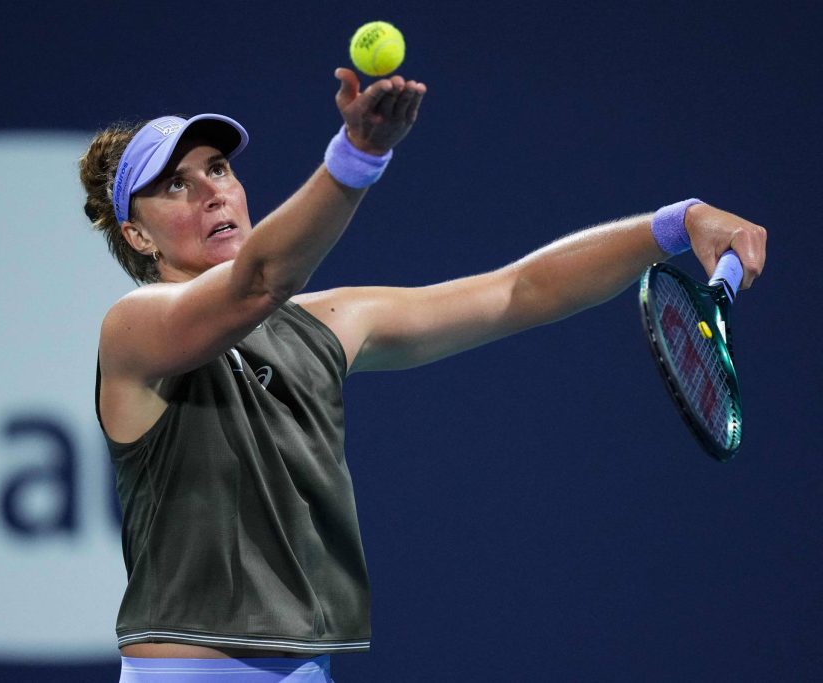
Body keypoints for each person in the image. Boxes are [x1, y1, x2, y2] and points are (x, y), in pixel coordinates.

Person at [78, 67, 766, 682]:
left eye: (219, 169)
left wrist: (675, 224)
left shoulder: (328, 324)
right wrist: (357, 156)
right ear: (138, 235)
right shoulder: (135, 327)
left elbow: (519, 290)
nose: (211, 192)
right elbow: (258, 282)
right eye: (176, 185)